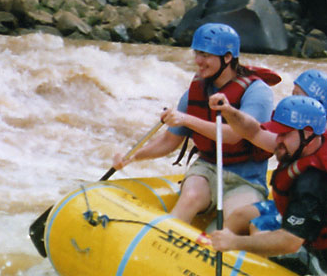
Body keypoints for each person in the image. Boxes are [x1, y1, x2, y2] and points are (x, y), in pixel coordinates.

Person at [208, 95, 327, 276]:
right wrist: (229, 111)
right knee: (249, 222)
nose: (277, 140)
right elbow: (254, 133)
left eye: (284, 134)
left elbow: (288, 242)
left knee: (260, 238)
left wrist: (235, 242)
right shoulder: (325, 136)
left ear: (307, 133)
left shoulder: (314, 183)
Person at [113, 22, 278, 226]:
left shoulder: (257, 91)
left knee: (235, 220)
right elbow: (169, 141)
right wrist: (133, 157)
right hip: (207, 170)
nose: (199, 61)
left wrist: (186, 119)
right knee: (189, 197)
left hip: (246, 177)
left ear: (227, 58)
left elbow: (235, 135)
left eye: (206, 55)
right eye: (197, 53)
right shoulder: (195, 90)